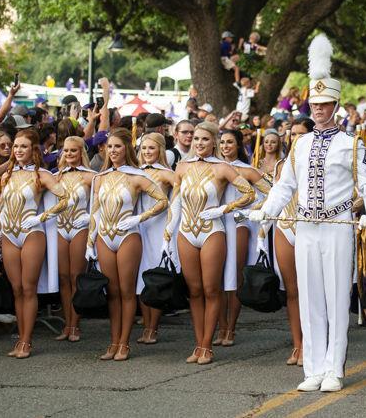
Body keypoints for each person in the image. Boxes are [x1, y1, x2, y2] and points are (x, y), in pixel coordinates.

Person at [249, 34, 366, 392]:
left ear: (335, 105)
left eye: (325, 104)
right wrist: (268, 211)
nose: (319, 109)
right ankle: (312, 368)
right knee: (308, 298)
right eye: (315, 104)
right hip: (306, 226)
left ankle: (334, 369)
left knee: (338, 296)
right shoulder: (300, 143)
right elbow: (285, 185)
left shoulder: (352, 144)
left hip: (339, 225)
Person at [163, 122, 255, 364]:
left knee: (211, 289)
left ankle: (207, 346)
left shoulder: (223, 168)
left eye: (205, 139)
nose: (199, 143)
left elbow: (250, 193)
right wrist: (168, 232)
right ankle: (198, 344)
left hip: (213, 231)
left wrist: (224, 209)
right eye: (195, 139)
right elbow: (175, 201)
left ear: (214, 142)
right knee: (193, 291)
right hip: (185, 232)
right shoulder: (181, 167)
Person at [85, 128, 169, 361]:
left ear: (127, 149)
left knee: (127, 291)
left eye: (117, 146)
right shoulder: (99, 178)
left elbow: (162, 201)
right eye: (109, 146)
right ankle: (113, 342)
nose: (112, 151)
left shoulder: (137, 176)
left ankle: (124, 343)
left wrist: (139, 218)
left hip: (128, 236)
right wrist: (90, 242)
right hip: (104, 236)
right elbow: (95, 212)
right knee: (111, 292)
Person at [0, 129, 70, 358]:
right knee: (16, 289)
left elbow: (65, 198)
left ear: (33, 149)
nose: (17, 151)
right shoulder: (7, 174)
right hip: (8, 234)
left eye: (23, 146)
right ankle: (20, 338)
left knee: (28, 288)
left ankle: (27, 341)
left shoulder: (42, 175)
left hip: (31, 233)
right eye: (16, 146)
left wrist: (41, 217)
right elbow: (3, 209)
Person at [263, 120, 315, 365]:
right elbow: (277, 196)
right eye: (292, 134)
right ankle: (298, 344)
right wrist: (263, 229)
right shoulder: (282, 164)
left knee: (312, 290)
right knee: (292, 290)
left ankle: (313, 343)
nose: (295, 138)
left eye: (301, 134)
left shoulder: (318, 161)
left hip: (311, 227)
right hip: (284, 227)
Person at [216, 130, 271, 347]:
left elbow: (270, 194)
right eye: (222, 142)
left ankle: (231, 328)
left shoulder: (247, 170)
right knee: (217, 278)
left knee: (235, 276)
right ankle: (220, 326)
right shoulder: (214, 167)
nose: (225, 146)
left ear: (239, 145)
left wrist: (248, 212)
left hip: (239, 225)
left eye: (230, 142)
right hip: (216, 224)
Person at [136, 133, 177, 345]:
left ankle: (153, 328)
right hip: (138, 227)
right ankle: (145, 325)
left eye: (151, 148)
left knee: (155, 277)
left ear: (159, 150)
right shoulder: (135, 172)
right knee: (141, 278)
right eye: (144, 149)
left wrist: (172, 221)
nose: (147, 153)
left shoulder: (165, 173)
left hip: (159, 228)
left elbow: (181, 187)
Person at [55, 137, 95, 342]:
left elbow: (101, 203)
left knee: (75, 276)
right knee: (63, 277)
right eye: (66, 151)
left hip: (80, 228)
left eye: (73, 151)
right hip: (61, 228)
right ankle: (67, 324)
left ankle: (76, 325)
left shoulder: (91, 177)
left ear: (81, 153)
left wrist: (89, 218)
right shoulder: (56, 177)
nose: (69, 154)